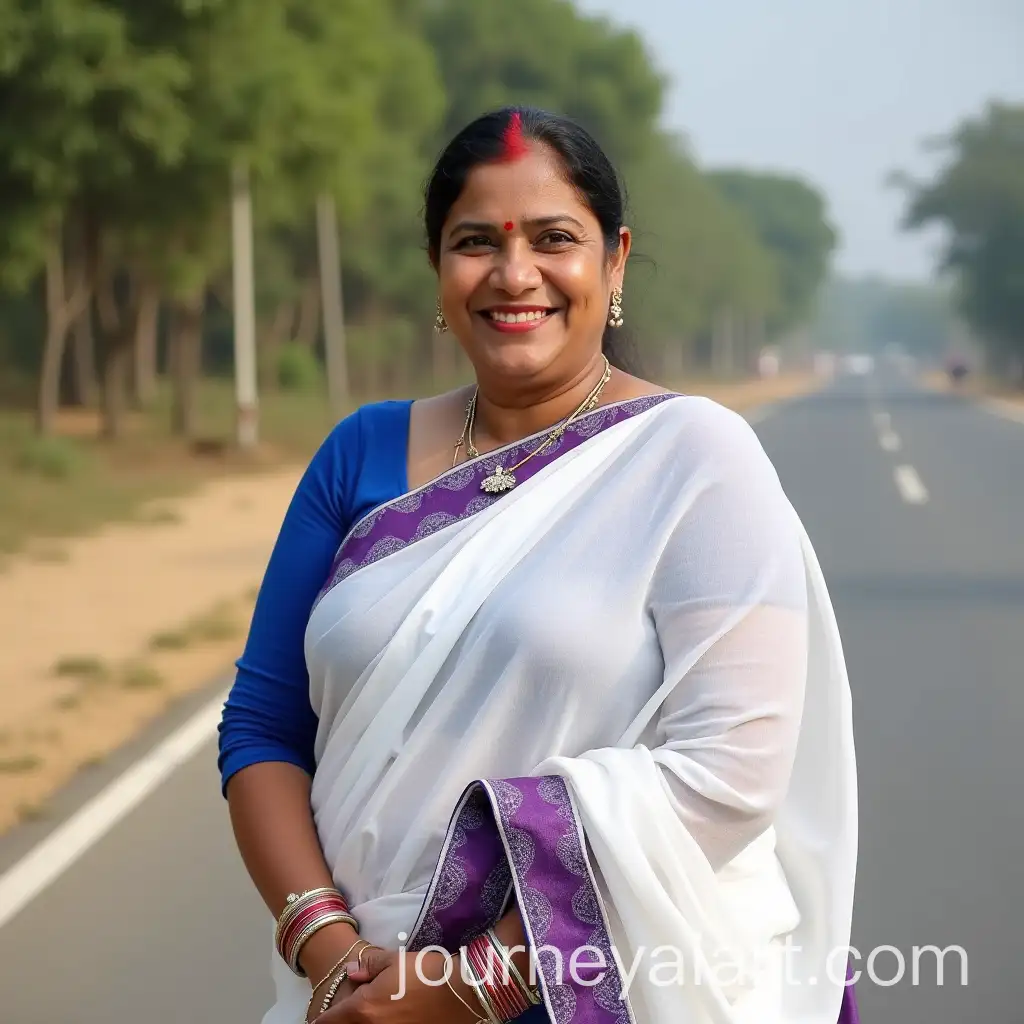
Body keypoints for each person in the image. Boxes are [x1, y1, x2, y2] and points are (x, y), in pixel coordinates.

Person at [219, 107, 859, 1024]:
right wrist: (335, 957)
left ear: (615, 260)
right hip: (356, 994)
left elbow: (732, 774)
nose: (514, 274)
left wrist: (469, 988)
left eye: (554, 238)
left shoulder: (695, 458)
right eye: (476, 241)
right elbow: (263, 726)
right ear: (437, 267)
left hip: (597, 986)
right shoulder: (358, 453)